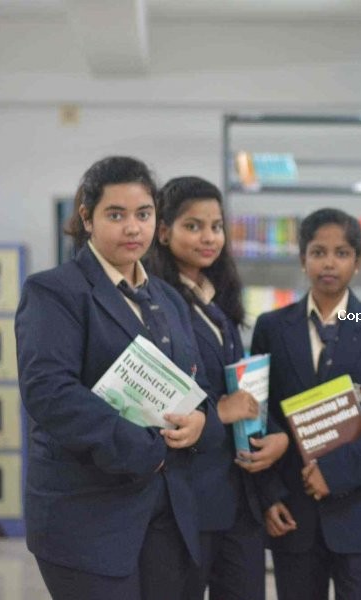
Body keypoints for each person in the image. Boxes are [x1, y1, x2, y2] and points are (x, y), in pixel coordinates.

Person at [15, 156, 223, 599]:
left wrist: (201, 419)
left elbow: (196, 381)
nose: (133, 228)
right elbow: (50, 392)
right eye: (116, 215)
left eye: (143, 214)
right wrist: (145, 449)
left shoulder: (168, 298)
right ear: (87, 218)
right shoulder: (55, 291)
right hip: (87, 516)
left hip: (168, 515)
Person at [251, 207, 361, 600]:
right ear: (302, 258)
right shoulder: (272, 327)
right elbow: (258, 413)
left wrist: (336, 472)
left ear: (357, 262)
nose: (329, 262)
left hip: (360, 510)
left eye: (341, 253)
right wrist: (268, 495)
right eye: (318, 252)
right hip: (292, 509)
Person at [147, 176, 290, 600]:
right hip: (188, 498)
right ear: (164, 231)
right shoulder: (156, 302)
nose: (209, 237)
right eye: (193, 226)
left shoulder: (217, 302)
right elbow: (166, 397)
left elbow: (241, 388)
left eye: (216, 226)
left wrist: (277, 437)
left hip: (237, 496)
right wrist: (221, 411)